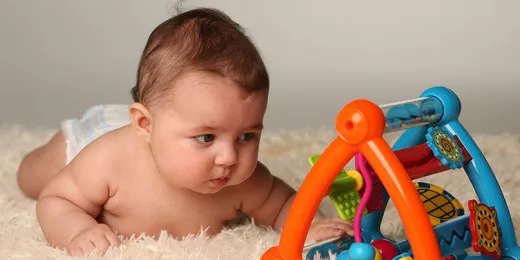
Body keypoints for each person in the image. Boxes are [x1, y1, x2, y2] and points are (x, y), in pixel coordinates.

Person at [17, 7, 353, 256]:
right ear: (145, 126)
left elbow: (284, 204)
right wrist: (79, 229)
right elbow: (56, 199)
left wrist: (312, 226)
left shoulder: (245, 181)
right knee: (33, 178)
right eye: (207, 138)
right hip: (92, 135)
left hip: (160, 121)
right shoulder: (109, 160)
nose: (229, 157)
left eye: (246, 136)